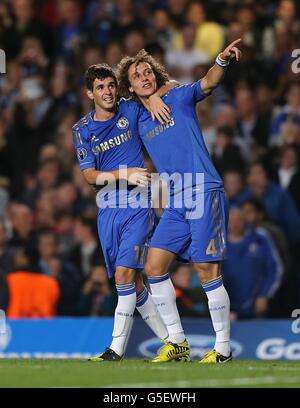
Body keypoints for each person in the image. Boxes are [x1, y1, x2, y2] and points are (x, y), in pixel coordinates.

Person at [117, 39, 242, 363]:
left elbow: (209, 82)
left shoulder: (178, 97)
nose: (144, 77)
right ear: (130, 87)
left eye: (148, 72)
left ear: (156, 75)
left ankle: (223, 349)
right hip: (175, 201)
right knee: (153, 266)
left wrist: (222, 60)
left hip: (203, 191)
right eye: (137, 76)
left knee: (206, 269)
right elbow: (112, 105)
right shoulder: (137, 118)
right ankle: (177, 341)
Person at [72, 64, 188, 362]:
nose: (108, 92)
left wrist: (158, 96)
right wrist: (124, 173)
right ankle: (174, 343)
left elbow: (171, 83)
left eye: (111, 85)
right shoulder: (82, 130)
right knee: (131, 284)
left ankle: (115, 350)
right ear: (90, 93)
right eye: (100, 88)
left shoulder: (131, 109)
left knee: (125, 274)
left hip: (137, 205)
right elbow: (89, 176)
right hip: (107, 210)